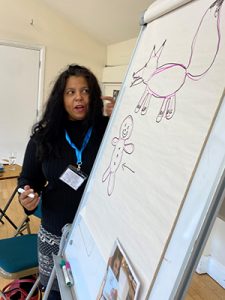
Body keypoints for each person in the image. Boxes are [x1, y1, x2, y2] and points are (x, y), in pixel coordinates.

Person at [18, 64, 115, 300]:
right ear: (60, 98)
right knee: (57, 294)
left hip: (98, 235)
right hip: (55, 234)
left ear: (93, 95)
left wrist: (123, 116)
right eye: (70, 92)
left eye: (85, 91)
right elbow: (28, 178)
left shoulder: (107, 128)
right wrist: (26, 195)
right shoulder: (44, 136)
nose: (78, 97)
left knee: (92, 293)